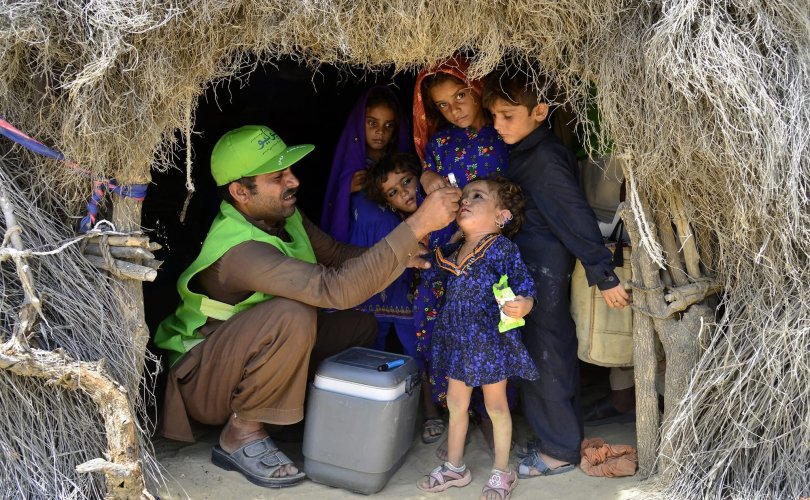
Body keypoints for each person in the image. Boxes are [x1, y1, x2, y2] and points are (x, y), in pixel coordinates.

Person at [154, 125, 462, 488]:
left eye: (290, 170)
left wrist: (401, 257)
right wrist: (418, 224)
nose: (294, 180)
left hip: (239, 362)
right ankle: (241, 432)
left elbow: (336, 256)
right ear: (241, 192)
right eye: (278, 176)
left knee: (356, 326)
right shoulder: (241, 251)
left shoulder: (282, 216)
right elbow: (336, 287)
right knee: (295, 314)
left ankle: (288, 417)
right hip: (203, 379)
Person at [482, 70, 631, 478]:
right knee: (537, 352)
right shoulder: (531, 150)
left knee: (548, 354)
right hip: (531, 268)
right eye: (493, 115)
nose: (497, 125)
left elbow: (574, 217)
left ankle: (561, 451)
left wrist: (605, 274)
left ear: (539, 112)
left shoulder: (543, 159)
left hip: (542, 271)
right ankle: (553, 438)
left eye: (507, 115)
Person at [412, 56, 515, 454]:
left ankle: (495, 415)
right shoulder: (440, 144)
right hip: (446, 253)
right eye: (441, 104)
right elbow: (428, 183)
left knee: (495, 329)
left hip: (491, 255)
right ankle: (452, 412)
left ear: (477, 89)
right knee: (439, 327)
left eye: (459, 95)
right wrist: (426, 176)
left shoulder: (501, 133)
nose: (453, 109)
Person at [416, 176, 538, 500]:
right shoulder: (455, 251)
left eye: (478, 196)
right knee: (456, 404)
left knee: (495, 407)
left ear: (501, 216)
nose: (466, 200)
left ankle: (502, 471)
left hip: (489, 344)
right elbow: (430, 270)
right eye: (464, 196)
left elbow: (524, 283)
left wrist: (524, 304)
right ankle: (456, 468)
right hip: (457, 342)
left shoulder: (501, 248)